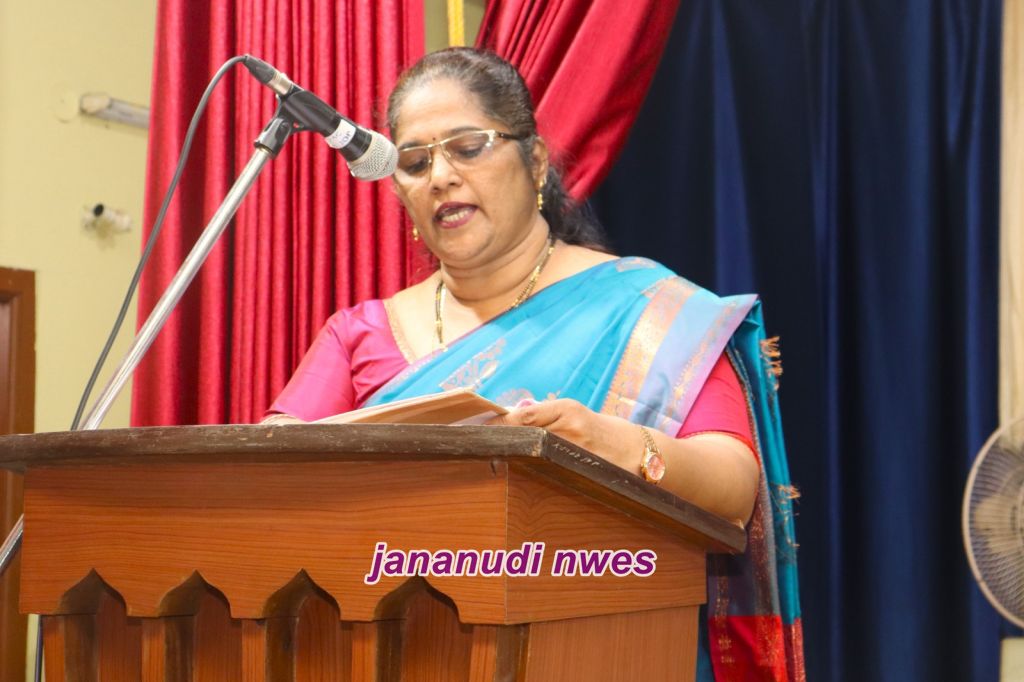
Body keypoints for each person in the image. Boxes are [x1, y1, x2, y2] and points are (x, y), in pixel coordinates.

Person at [264, 47, 803, 681]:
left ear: (537, 161)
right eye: (414, 162)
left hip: (604, 646)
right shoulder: (359, 333)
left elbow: (735, 488)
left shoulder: (646, 308)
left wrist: (608, 442)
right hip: (397, 652)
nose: (440, 177)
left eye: (468, 147)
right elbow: (267, 478)